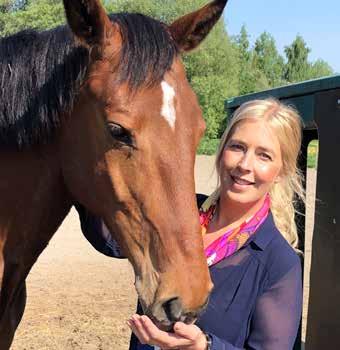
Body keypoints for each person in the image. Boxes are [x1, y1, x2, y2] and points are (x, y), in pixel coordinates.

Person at [77, 98, 304, 350]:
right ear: (221, 152)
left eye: (264, 155)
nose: (244, 165)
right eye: (237, 147)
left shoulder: (280, 262)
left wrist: (204, 347)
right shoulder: (181, 211)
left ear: (281, 171)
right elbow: (110, 237)